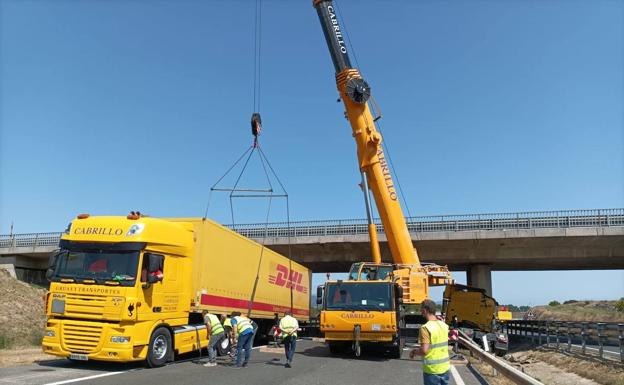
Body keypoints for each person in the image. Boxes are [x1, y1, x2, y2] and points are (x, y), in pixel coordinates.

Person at [409, 299, 450, 385]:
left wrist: (414, 352)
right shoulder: (444, 325)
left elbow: (424, 350)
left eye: (421, 309)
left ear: (425, 310)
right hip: (445, 368)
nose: (420, 311)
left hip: (432, 370)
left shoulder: (425, 328)